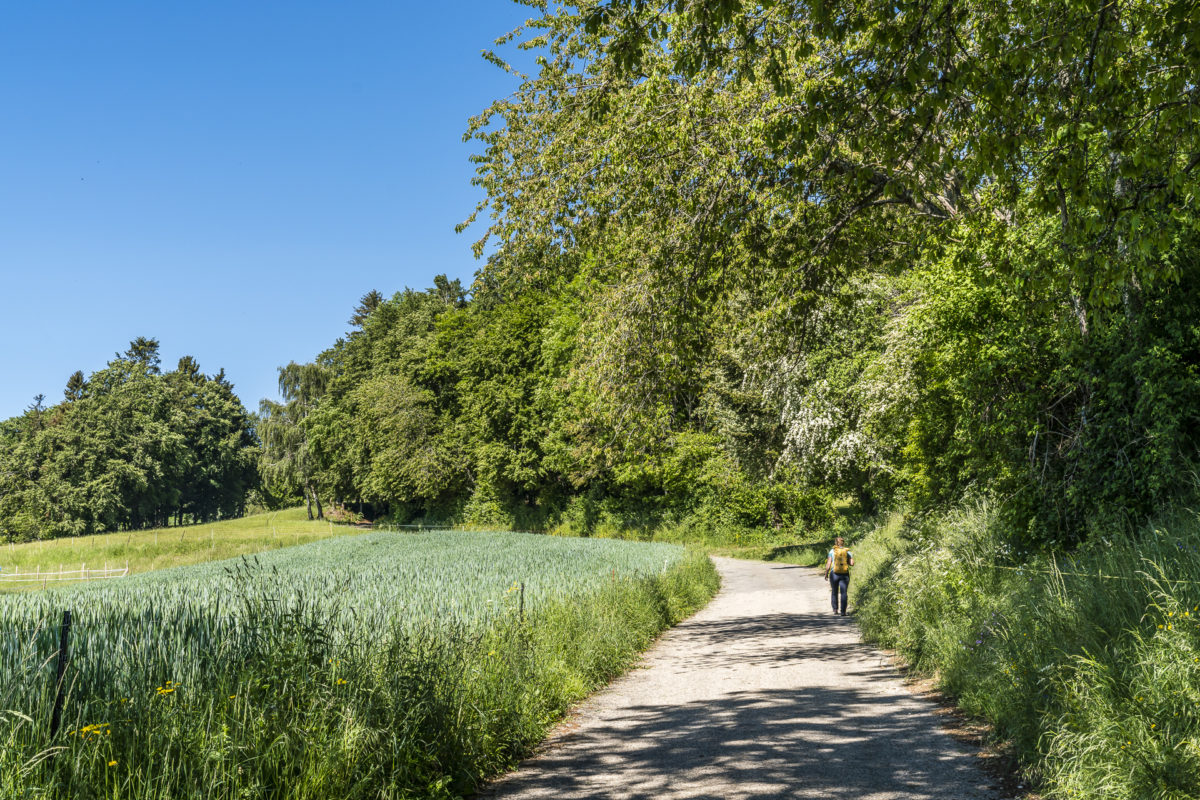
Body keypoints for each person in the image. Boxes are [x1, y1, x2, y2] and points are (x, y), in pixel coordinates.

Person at [823, 536, 854, 616]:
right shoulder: (847, 552)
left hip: (834, 574)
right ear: (843, 543)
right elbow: (852, 564)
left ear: (835, 543)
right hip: (844, 574)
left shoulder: (832, 551)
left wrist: (826, 573)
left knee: (834, 591)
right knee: (844, 592)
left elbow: (828, 563)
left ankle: (835, 609)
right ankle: (843, 611)